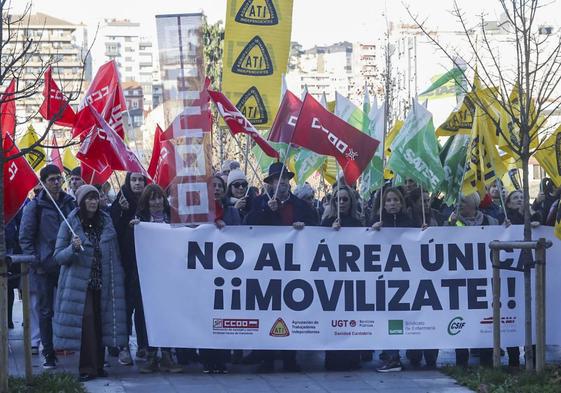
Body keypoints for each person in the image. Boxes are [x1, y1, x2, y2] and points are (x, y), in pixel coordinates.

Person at [245, 162, 317, 372]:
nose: (282, 182)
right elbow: (248, 225)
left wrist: (304, 227)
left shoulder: (301, 206)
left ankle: (289, 359)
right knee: (268, 313)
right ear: (271, 183)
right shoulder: (260, 203)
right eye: (278, 179)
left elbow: (315, 229)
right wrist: (266, 210)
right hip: (267, 268)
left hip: (294, 267)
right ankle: (266, 359)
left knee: (292, 312)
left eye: (285, 179)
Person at [53, 185, 127, 381]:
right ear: (81, 201)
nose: (93, 202)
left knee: (101, 324)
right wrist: (72, 248)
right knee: (86, 325)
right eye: (88, 198)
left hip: (103, 282)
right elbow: (58, 256)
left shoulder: (106, 222)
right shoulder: (69, 224)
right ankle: (86, 367)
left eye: (95, 198)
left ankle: (98, 365)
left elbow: (115, 253)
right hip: (79, 286)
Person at [19, 165, 76, 369]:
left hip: (66, 264)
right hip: (44, 267)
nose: (55, 183)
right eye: (51, 179)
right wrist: (37, 263)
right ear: (43, 182)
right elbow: (25, 239)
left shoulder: (69, 203)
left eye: (58, 179)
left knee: (67, 309)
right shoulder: (35, 207)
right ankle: (48, 352)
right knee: (45, 312)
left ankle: (67, 346)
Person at [125, 184, 184, 374]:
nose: (157, 202)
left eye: (159, 198)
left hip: (169, 276)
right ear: (146, 201)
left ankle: (167, 355)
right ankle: (151, 355)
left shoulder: (173, 218)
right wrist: (133, 230)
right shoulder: (140, 220)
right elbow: (130, 248)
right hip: (146, 278)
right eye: (152, 198)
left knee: (167, 314)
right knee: (147, 315)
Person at [448, 193, 497, 367]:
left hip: (483, 280)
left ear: (475, 204)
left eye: (464, 202)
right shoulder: (452, 221)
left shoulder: (491, 222)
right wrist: (449, 225)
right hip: (459, 279)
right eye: (458, 201)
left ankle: (487, 359)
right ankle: (461, 361)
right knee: (461, 318)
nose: (460, 205)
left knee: (484, 319)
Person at [371, 187, 413, 372]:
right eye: (388, 200)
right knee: (387, 317)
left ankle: (395, 356)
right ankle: (391, 356)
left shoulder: (410, 221)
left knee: (399, 317)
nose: (392, 203)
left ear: (401, 202)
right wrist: (372, 231)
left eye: (396, 200)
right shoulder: (376, 222)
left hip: (405, 279)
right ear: (383, 204)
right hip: (383, 280)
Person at [321, 186, 363, 371]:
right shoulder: (326, 222)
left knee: (352, 319)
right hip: (332, 279)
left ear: (351, 201)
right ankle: (333, 358)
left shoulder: (358, 222)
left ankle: (353, 357)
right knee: (333, 320)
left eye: (345, 199)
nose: (342, 203)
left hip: (352, 279)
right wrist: (330, 232)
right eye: (338, 199)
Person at [110, 172, 147, 365]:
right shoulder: (119, 202)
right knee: (126, 307)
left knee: (143, 308)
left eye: (141, 180)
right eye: (134, 179)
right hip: (125, 265)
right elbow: (113, 232)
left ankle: (143, 346)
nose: (137, 183)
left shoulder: (149, 202)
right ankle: (123, 347)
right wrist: (123, 214)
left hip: (146, 266)